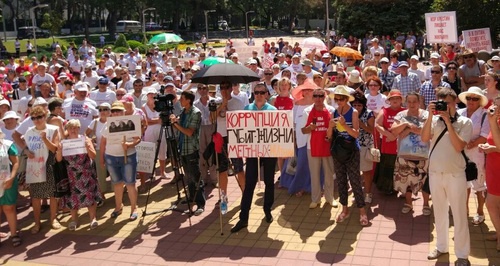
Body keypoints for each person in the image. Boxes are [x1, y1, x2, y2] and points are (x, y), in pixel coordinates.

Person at [421, 87, 472, 265]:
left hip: (455, 175)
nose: (444, 106)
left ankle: (462, 254)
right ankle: (441, 246)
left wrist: (449, 123)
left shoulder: (465, 122)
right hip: (435, 173)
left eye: (448, 103)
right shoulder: (434, 120)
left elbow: (459, 146)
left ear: (455, 102)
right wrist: (429, 116)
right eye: (441, 103)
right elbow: (424, 138)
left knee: (459, 215)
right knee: (440, 212)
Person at [231, 83, 278, 233]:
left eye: (261, 92)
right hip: (252, 152)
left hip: (269, 150)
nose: (258, 95)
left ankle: (267, 210)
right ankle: (243, 218)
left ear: (266, 94)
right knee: (249, 184)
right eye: (256, 92)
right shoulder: (247, 109)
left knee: (269, 181)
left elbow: (277, 131)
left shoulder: (273, 110)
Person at [328, 86, 368, 225]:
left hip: (351, 150)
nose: (338, 101)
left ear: (346, 99)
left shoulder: (354, 112)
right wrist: (329, 126)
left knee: (355, 180)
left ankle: (362, 211)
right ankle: (344, 209)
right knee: (340, 180)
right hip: (338, 150)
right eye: (336, 98)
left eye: (341, 99)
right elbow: (329, 136)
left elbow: (356, 134)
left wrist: (344, 126)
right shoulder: (334, 112)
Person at [100, 101, 141, 221]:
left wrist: (130, 144)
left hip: (128, 156)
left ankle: (134, 208)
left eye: (119, 110)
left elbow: (138, 139)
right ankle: (118, 207)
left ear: (124, 111)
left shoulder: (131, 122)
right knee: (117, 183)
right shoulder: (107, 125)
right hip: (111, 157)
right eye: (114, 111)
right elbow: (103, 143)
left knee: (130, 183)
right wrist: (102, 158)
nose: (116, 113)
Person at [390, 92, 431, 215]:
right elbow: (394, 131)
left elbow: (429, 133)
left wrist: (408, 131)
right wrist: (406, 125)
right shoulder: (401, 115)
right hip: (404, 155)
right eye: (409, 101)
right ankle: (408, 203)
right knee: (406, 181)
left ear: (419, 102)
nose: (412, 104)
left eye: (414, 101)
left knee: (425, 182)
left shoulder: (427, 115)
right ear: (406, 102)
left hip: (423, 155)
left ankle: (425, 204)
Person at [57, 120, 102, 230]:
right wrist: (59, 150)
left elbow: (93, 156)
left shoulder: (85, 139)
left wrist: (88, 147)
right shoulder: (64, 142)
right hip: (71, 175)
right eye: (70, 128)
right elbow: (58, 160)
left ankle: (93, 219)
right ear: (67, 130)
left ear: (79, 128)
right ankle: (74, 220)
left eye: (76, 127)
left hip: (86, 173)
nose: (73, 130)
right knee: (73, 198)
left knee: (89, 196)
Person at [23, 106, 60, 233]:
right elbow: (25, 146)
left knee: (53, 194)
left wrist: (44, 139)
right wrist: (26, 151)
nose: (37, 120)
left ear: (45, 117)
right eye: (34, 118)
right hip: (34, 166)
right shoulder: (29, 131)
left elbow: (54, 149)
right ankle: (37, 222)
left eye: (39, 117)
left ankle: (53, 219)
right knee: (36, 196)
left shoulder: (53, 129)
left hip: (49, 163)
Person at [457, 87, 489, 225]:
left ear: (480, 101)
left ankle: (480, 211)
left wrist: (472, 143)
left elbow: (485, 135)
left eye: (475, 98)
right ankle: (464, 210)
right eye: (469, 98)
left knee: (479, 185)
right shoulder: (459, 113)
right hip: (461, 154)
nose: (471, 101)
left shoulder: (485, 115)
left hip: (477, 155)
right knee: (464, 185)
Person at [302, 88, 338, 209]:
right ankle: (315, 199)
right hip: (312, 147)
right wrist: (309, 128)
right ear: (313, 98)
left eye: (321, 96)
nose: (318, 98)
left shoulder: (331, 110)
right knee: (315, 174)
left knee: (329, 174)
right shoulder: (307, 110)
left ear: (325, 97)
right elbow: (303, 130)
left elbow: (335, 129)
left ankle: (329, 197)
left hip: (327, 146)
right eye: (316, 96)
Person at [170, 91, 204, 215]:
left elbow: (189, 132)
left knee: (195, 176)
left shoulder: (196, 113)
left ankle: (200, 203)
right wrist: (174, 122)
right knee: (188, 175)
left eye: (182, 98)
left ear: (189, 100)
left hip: (191, 148)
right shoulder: (183, 112)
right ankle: (191, 197)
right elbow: (179, 129)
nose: (180, 100)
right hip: (182, 147)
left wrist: (175, 124)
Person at [279, 83, 314, 196]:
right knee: (300, 165)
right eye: (305, 90)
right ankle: (300, 186)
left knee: (312, 166)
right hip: (299, 139)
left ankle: (311, 187)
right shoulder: (297, 105)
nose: (307, 92)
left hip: (313, 140)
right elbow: (292, 124)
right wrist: (292, 140)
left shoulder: (317, 104)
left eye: (310, 89)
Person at [215, 81, 246, 196]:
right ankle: (223, 196)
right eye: (221, 87)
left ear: (231, 88)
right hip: (220, 138)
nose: (224, 90)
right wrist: (222, 105)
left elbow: (243, 120)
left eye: (226, 87)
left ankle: (245, 194)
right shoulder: (216, 102)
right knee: (222, 170)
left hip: (234, 137)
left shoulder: (238, 102)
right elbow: (211, 118)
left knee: (239, 168)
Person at [374, 89, 405, 194]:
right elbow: (377, 124)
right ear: (389, 100)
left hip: (402, 145)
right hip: (387, 145)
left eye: (397, 98)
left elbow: (409, 126)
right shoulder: (384, 111)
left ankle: (401, 188)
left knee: (401, 168)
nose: (395, 100)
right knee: (387, 168)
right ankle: (388, 188)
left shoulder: (405, 111)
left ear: (401, 100)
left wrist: (394, 136)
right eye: (393, 98)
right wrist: (389, 135)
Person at [479, 97, 500, 249]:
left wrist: (492, 148)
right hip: (493, 167)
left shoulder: (495, 122)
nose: (494, 109)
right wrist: (487, 146)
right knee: (494, 204)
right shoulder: (497, 122)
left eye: (497, 106)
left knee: (491, 204)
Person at [351, 92, 375, 204]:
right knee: (354, 172)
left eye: (359, 105)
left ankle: (368, 193)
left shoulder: (369, 114)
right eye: (354, 105)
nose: (356, 107)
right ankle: (358, 193)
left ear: (363, 105)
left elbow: (371, 130)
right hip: (351, 146)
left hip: (365, 146)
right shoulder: (349, 113)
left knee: (366, 172)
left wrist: (361, 124)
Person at [86, 102, 111, 202]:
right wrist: (90, 141)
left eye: (105, 109)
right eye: (100, 110)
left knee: (114, 173)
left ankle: (117, 195)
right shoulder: (95, 122)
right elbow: (85, 134)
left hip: (111, 149)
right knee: (100, 174)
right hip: (98, 150)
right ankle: (101, 195)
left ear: (110, 111)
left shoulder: (113, 121)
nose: (102, 112)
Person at [141, 88, 168, 181]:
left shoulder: (161, 105)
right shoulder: (143, 107)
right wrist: (157, 121)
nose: (152, 95)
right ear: (147, 95)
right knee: (150, 152)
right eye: (150, 94)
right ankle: (151, 173)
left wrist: (154, 121)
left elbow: (163, 118)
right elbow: (146, 121)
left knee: (162, 150)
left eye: (153, 94)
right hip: (149, 132)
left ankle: (162, 172)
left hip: (161, 130)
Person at [0, 127, 20, 246]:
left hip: (7, 181)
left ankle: (14, 234)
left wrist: (12, 178)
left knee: (9, 208)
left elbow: (16, 162)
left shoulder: (8, 144)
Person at [194, 84, 217, 186]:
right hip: (200, 128)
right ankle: (204, 178)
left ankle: (214, 179)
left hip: (212, 127)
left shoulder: (215, 101)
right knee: (201, 152)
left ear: (208, 89)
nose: (202, 90)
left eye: (204, 88)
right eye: (199, 88)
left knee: (212, 151)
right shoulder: (195, 104)